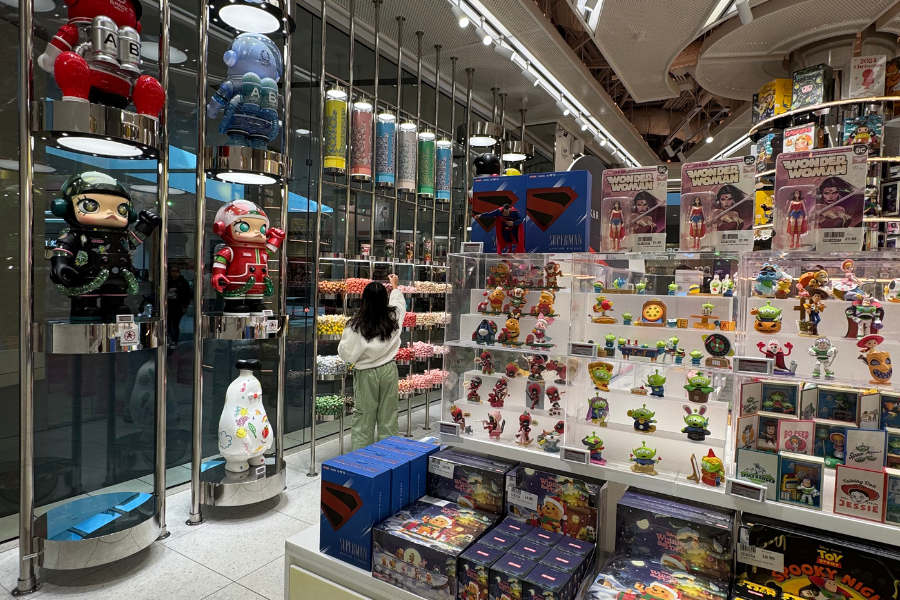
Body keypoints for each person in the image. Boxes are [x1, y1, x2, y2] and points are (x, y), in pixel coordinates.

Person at [338, 274, 406, 450]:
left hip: (366, 373)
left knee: (363, 417)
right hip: (389, 370)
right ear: (385, 299)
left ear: (364, 300)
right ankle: (389, 457)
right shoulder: (394, 317)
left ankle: (361, 460)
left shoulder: (355, 325)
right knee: (389, 415)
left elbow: (346, 354)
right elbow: (400, 303)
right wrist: (395, 286)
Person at [167, 266, 192, 348]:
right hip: (169, 305)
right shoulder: (168, 282)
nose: (174, 273)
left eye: (176, 271)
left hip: (178, 306)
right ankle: (170, 339)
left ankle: (174, 341)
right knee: (168, 323)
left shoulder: (183, 282)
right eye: (172, 271)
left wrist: (185, 306)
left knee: (175, 324)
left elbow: (187, 295)